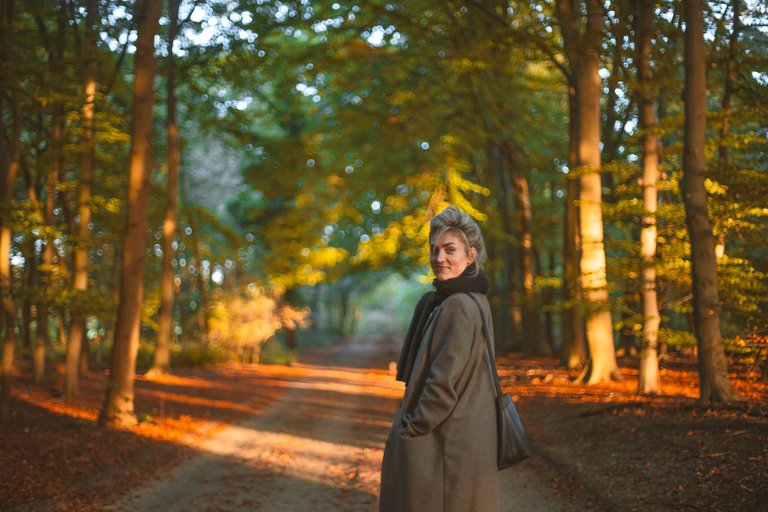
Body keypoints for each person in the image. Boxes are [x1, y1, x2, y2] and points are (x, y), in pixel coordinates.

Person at [379, 205, 501, 512]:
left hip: (444, 444)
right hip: (461, 439)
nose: (439, 258)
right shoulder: (473, 299)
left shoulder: (457, 305)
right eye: (435, 250)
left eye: (450, 250)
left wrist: (412, 428)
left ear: (470, 255)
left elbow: (442, 383)